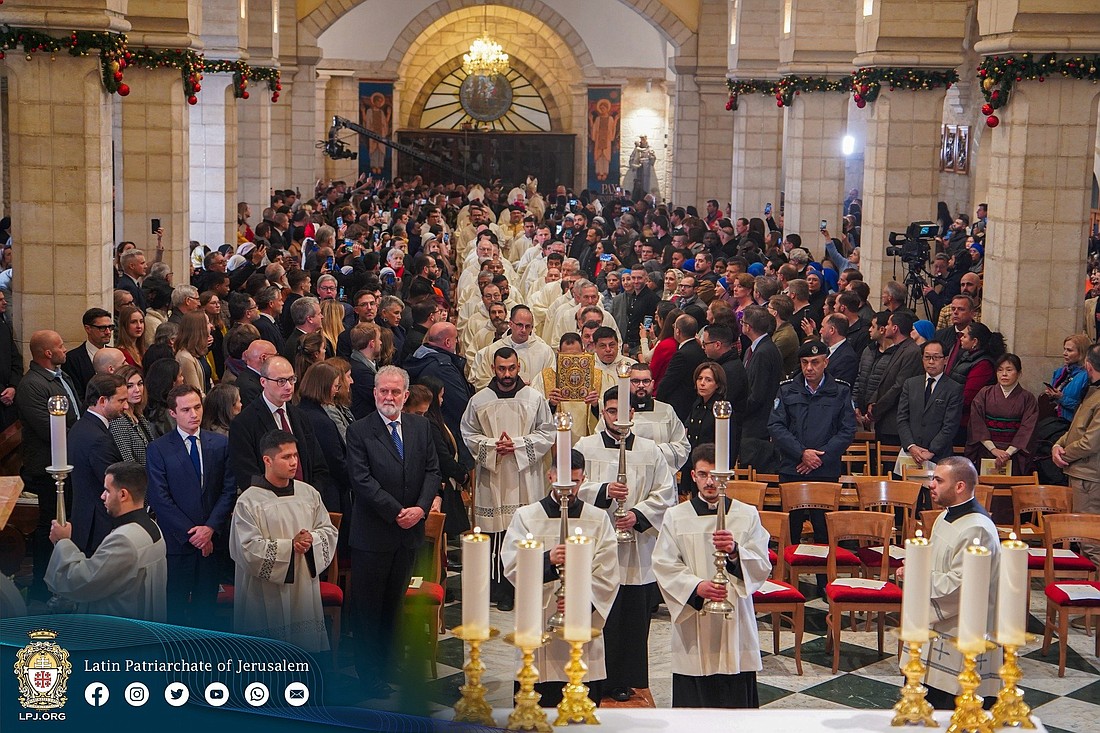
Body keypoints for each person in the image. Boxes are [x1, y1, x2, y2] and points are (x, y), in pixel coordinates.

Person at [344, 365, 440, 698]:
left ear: (406, 395)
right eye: (384, 391)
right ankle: (369, 674)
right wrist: (396, 511)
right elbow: (361, 480)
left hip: (408, 533)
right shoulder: (359, 431)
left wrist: (420, 509)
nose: (389, 397)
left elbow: (432, 470)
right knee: (369, 610)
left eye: (396, 392)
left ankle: (390, 663)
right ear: (374, 393)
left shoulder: (420, 426)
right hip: (374, 535)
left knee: (395, 606)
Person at [652, 443, 770, 708]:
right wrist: (696, 587)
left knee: (735, 701)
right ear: (693, 476)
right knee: (694, 699)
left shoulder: (746, 514)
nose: (709, 482)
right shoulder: (676, 516)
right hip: (695, 621)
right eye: (703, 474)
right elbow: (663, 563)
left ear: (727, 476)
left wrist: (735, 552)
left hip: (734, 621)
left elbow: (762, 563)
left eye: (716, 475)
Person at [576, 389, 675, 702]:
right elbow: (571, 486)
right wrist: (604, 490)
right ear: (602, 412)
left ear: (633, 414)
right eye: (610, 410)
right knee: (598, 614)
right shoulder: (584, 446)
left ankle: (622, 679)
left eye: (623, 411)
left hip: (635, 549)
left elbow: (666, 493)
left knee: (630, 616)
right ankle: (591, 678)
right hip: (596, 547)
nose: (616, 417)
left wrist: (637, 515)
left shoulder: (650, 450)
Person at [500, 450, 620, 707]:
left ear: (583, 479)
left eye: (575, 481)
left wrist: (579, 602)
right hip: (538, 622)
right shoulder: (526, 517)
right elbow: (510, 563)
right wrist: (547, 559)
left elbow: (608, 573)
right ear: (550, 475)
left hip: (581, 626)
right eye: (562, 480)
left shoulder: (598, 519)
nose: (568, 487)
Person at [899, 456, 1001, 709]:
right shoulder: (946, 517)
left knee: (950, 708)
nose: (931, 484)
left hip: (959, 632)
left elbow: (962, 585)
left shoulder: (977, 529)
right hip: (937, 630)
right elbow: (936, 563)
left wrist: (917, 579)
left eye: (938, 480)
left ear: (960, 487)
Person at [461, 347, 554, 610]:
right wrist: (492, 447)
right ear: (493, 368)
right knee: (497, 535)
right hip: (494, 476)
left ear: (518, 367)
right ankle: (500, 590)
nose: (507, 374)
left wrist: (518, 445)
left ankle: (525, 588)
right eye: (501, 369)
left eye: (511, 368)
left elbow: (547, 432)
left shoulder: (534, 398)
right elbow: (468, 433)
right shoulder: (479, 400)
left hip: (526, 475)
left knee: (524, 532)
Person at [230, 429, 338, 652]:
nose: (294, 463)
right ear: (267, 460)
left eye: (295, 456)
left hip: (303, 585)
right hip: (264, 593)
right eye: (286, 457)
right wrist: (290, 546)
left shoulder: (309, 494)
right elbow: (247, 549)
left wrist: (312, 539)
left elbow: (327, 530)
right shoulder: (249, 501)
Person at [769, 341, 856, 592]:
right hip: (793, 468)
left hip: (825, 470)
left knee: (823, 528)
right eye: (805, 362)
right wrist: (801, 454)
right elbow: (776, 426)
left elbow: (847, 430)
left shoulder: (840, 391)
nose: (809, 368)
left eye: (815, 362)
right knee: (791, 528)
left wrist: (819, 457)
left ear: (826, 362)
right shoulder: (787, 389)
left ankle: (824, 583)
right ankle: (786, 584)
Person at [146, 385, 237, 626]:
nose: (194, 414)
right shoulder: (159, 449)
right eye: (186, 409)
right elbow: (159, 498)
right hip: (178, 543)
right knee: (174, 609)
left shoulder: (219, 443)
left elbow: (228, 490)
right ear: (173, 413)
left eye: (197, 407)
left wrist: (209, 529)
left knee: (206, 610)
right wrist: (194, 535)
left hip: (211, 541)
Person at [46, 461, 167, 621]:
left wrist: (63, 542)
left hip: (119, 633)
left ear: (123, 495)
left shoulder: (124, 540)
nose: (102, 496)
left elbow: (82, 583)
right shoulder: (153, 527)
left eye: (107, 490)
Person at [228, 356, 335, 508]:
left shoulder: (300, 416)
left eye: (291, 379)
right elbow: (248, 475)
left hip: (307, 504)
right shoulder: (244, 423)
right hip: (269, 508)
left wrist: (308, 497)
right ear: (263, 382)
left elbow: (318, 466)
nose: (289, 387)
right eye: (281, 381)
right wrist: (283, 503)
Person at [1052, 342, 1100, 567]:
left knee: (1090, 541)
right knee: (1082, 540)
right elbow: (1075, 429)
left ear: (1088, 365)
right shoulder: (1091, 391)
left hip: (1090, 476)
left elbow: (1091, 441)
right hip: (1080, 471)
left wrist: (1065, 454)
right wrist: (1057, 445)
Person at [69, 373, 128, 556]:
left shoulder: (80, 427)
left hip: (84, 521)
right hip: (99, 527)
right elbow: (113, 484)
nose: (126, 406)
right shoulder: (98, 439)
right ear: (103, 400)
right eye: (121, 400)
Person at [897, 340, 964, 474]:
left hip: (939, 455)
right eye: (927, 357)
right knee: (907, 493)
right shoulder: (911, 384)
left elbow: (950, 425)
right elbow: (902, 418)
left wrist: (931, 451)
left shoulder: (954, 388)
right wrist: (911, 446)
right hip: (911, 453)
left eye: (936, 357)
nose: (931, 361)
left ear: (945, 360)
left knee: (936, 493)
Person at [966, 354, 1039, 476]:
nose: (1004, 374)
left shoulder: (1028, 398)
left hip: (1014, 453)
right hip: (987, 450)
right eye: (1000, 370)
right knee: (986, 489)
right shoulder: (984, 393)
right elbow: (976, 423)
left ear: (1019, 373)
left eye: (1009, 370)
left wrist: (1008, 452)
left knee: (1011, 491)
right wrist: (993, 449)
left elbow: (1027, 429)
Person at [738, 305, 783, 468]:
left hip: (757, 424)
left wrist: (738, 410)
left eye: (742, 322)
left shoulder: (764, 352)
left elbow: (757, 394)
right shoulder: (756, 348)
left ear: (748, 327)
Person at [682, 362, 726, 497]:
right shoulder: (697, 405)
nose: (702, 383)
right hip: (694, 465)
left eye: (708, 380)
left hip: (713, 468)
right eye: (700, 379)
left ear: (717, 384)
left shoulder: (721, 409)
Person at [655, 314, 708, 421]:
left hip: (680, 405)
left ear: (678, 331)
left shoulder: (682, 355)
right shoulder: (699, 348)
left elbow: (669, 381)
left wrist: (658, 401)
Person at [107, 365, 155, 465]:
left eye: (140, 384)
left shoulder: (139, 415)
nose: (137, 390)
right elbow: (127, 460)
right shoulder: (118, 420)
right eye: (130, 386)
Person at [63, 307, 115, 398]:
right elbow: (75, 395)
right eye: (102, 328)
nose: (108, 332)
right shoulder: (73, 359)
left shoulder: (115, 354)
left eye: (110, 327)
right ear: (88, 329)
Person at [1042, 333, 1091, 423]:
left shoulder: (1087, 376)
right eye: (1064, 349)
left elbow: (1086, 409)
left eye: (1069, 350)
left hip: (1072, 423)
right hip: (1056, 419)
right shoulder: (1060, 372)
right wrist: (1051, 394)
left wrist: (1061, 397)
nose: (1064, 353)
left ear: (1081, 353)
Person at [175, 311, 212, 396]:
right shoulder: (185, 358)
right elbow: (195, 392)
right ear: (199, 328)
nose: (211, 326)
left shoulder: (199, 351)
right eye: (208, 323)